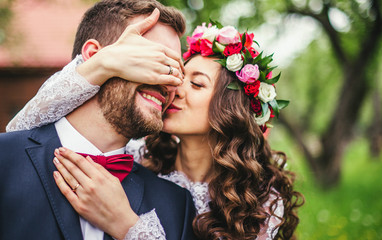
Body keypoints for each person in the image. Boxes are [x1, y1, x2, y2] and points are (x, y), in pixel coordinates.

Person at [7, 14, 304, 240]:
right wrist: (100, 65)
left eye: (197, 84)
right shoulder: (137, 156)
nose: (174, 87)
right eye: (177, 75)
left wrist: (128, 226)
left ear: (230, 110)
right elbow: (23, 130)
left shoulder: (259, 199)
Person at [0, 1, 197, 240]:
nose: (170, 82)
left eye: (176, 71)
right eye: (154, 59)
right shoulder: (5, 158)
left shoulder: (179, 206)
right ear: (94, 56)